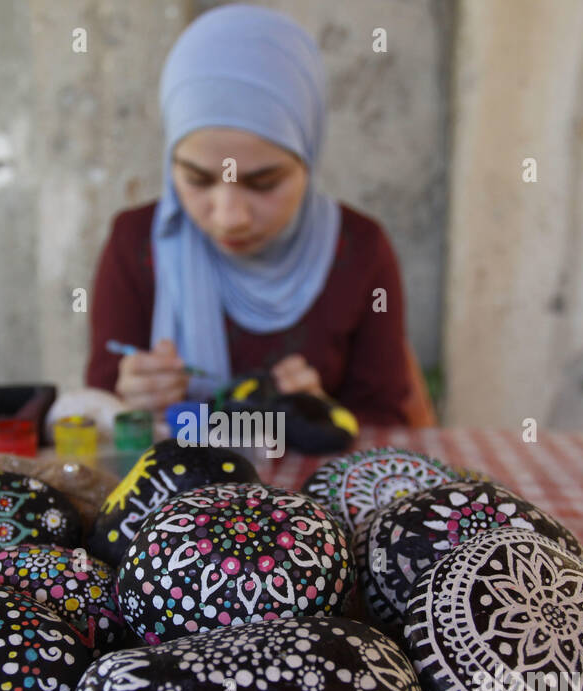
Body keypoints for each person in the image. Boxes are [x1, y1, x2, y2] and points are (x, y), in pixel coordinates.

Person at [85, 4, 413, 426]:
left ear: (308, 158)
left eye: (263, 183)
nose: (229, 218)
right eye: (197, 180)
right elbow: (96, 406)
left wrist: (323, 418)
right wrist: (127, 401)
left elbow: (386, 422)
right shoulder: (135, 244)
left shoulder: (360, 250)